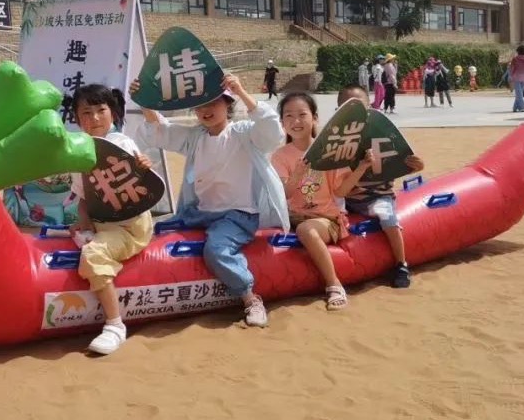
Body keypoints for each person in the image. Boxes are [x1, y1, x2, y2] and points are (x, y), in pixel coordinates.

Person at [132, 73, 288, 327]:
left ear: (228, 104)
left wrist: (242, 92)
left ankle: (250, 298)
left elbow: (272, 132)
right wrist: (144, 101)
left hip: (237, 215)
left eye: (213, 103)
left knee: (216, 250)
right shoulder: (196, 137)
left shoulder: (244, 133)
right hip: (200, 212)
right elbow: (162, 132)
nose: (206, 110)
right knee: (159, 229)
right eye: (200, 105)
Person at [67, 84, 154, 355]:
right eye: (86, 112)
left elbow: (143, 187)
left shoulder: (123, 144)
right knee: (77, 234)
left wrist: (144, 168)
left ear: (113, 113)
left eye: (100, 110)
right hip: (102, 224)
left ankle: (115, 326)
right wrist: (85, 222)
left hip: (130, 227)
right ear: (77, 118)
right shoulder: (79, 153)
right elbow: (84, 198)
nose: (94, 118)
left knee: (93, 254)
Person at [271, 92, 373, 310]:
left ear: (315, 118)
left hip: (325, 218)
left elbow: (340, 191)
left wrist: (361, 168)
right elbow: (285, 194)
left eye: (302, 114)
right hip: (294, 217)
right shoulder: (279, 156)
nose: (296, 121)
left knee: (307, 230)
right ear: (282, 122)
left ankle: (334, 284)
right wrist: (298, 174)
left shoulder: (330, 151)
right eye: (289, 116)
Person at [336, 84, 426, 288]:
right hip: (347, 198)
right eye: (347, 107)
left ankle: (401, 264)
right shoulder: (338, 140)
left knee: (387, 217)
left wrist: (416, 167)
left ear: (369, 107)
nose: (354, 112)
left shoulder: (382, 134)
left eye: (359, 106)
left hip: (378, 196)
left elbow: (398, 164)